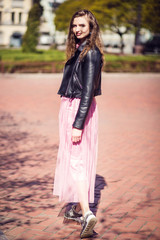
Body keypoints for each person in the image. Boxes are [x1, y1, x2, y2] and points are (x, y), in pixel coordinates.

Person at [53, 9, 103, 239]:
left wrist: (78, 124)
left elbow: (88, 93)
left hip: (77, 110)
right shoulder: (80, 50)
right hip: (71, 107)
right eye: (75, 26)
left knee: (76, 162)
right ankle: (75, 209)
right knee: (76, 159)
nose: (77, 29)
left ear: (91, 27)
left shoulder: (90, 53)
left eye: (82, 25)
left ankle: (86, 213)